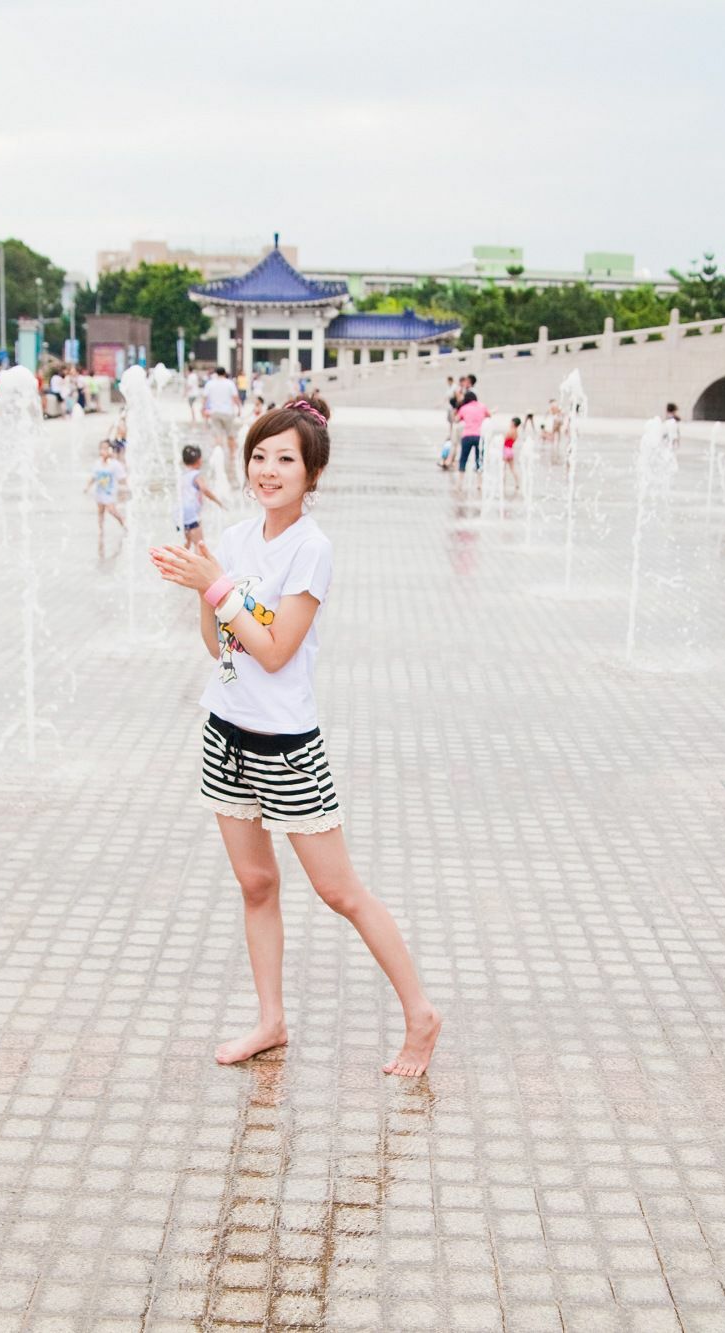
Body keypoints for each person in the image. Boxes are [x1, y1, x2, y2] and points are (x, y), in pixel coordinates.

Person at [147, 394, 441, 1077]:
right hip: (225, 732)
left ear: (312, 473)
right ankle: (271, 1019)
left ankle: (422, 1013)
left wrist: (216, 585)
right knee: (255, 883)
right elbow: (217, 643)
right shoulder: (236, 540)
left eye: (285, 458)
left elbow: (277, 649)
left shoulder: (312, 549)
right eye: (259, 455)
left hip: (285, 743)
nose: (268, 470)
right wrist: (203, 589)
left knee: (340, 892)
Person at [178, 442, 224, 550]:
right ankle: (198, 563)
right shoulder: (196, 475)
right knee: (200, 543)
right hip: (192, 513)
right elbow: (204, 489)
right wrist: (217, 501)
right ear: (199, 460)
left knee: (187, 542)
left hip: (181, 513)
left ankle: (182, 563)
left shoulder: (183, 476)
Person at [85, 439, 128, 546]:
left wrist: (125, 490)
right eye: (101, 448)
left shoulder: (114, 464)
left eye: (105, 448)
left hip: (109, 492)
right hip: (99, 492)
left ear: (110, 450)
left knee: (111, 509)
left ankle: (122, 520)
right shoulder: (98, 463)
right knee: (100, 511)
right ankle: (101, 531)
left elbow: (122, 478)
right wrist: (87, 487)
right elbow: (94, 477)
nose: (103, 451)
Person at [202, 367, 241, 464]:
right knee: (230, 435)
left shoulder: (210, 383)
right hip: (228, 412)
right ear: (224, 373)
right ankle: (232, 456)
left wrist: (203, 408)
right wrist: (239, 408)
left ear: (216, 373)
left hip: (214, 412)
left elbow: (205, 397)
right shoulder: (229, 383)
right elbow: (235, 397)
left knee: (218, 436)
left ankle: (219, 457)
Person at [454, 387, 489, 486]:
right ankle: (479, 483)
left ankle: (460, 482)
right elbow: (489, 415)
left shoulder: (464, 408)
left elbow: (456, 420)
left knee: (463, 458)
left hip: (467, 436)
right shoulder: (482, 406)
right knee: (479, 459)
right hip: (479, 436)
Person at [503, 415, 522, 495]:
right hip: (511, 450)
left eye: (511, 422)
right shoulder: (516, 431)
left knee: (503, 468)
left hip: (505, 450)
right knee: (512, 468)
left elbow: (504, 439)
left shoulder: (511, 430)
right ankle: (517, 482)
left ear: (514, 423)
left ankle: (502, 483)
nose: (510, 423)